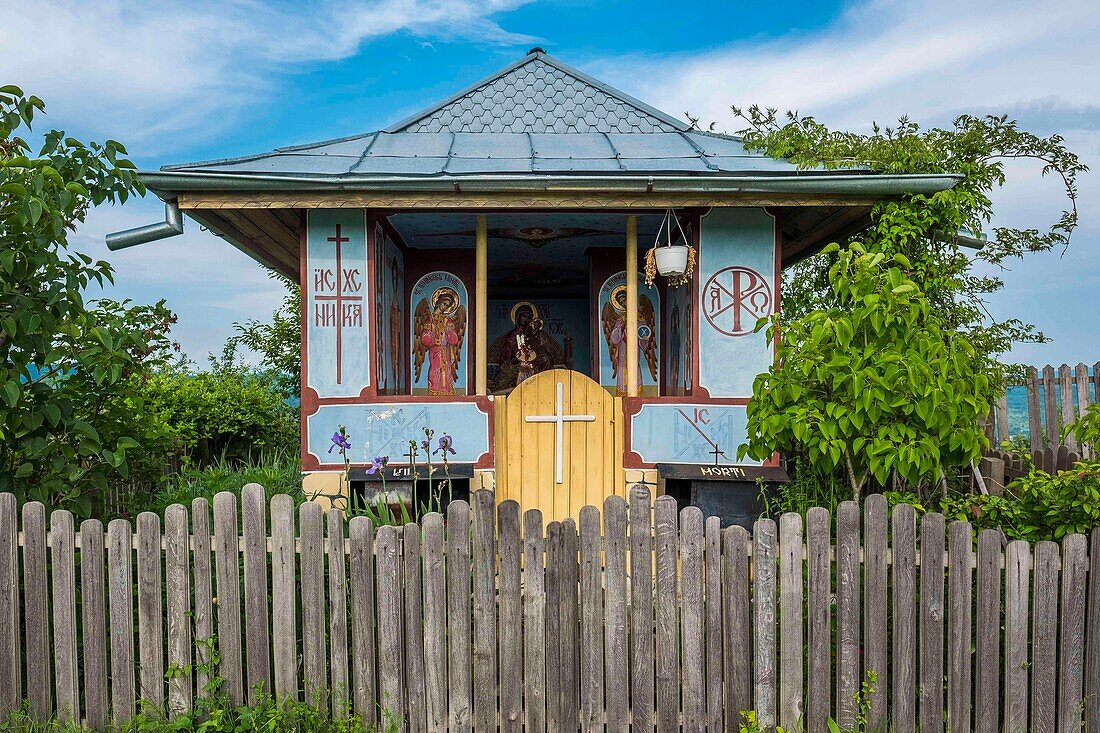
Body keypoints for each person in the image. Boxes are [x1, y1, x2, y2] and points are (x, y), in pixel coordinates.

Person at [487, 302, 564, 393]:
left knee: (546, 357)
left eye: (528, 317)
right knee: (522, 370)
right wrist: (517, 360)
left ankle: (544, 384)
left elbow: (538, 349)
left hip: (533, 361)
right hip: (516, 363)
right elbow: (505, 358)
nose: (526, 319)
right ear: (518, 317)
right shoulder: (512, 336)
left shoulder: (532, 333)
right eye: (524, 316)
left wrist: (537, 338)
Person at [413, 287, 466, 395]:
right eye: (444, 303)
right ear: (438, 302)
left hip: (446, 350)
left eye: (447, 305)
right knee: (435, 368)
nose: (445, 306)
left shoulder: (448, 320)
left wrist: (448, 329)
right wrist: (431, 335)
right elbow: (424, 339)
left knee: (446, 369)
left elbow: (454, 339)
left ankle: (446, 391)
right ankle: (434, 391)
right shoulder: (430, 319)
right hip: (435, 350)